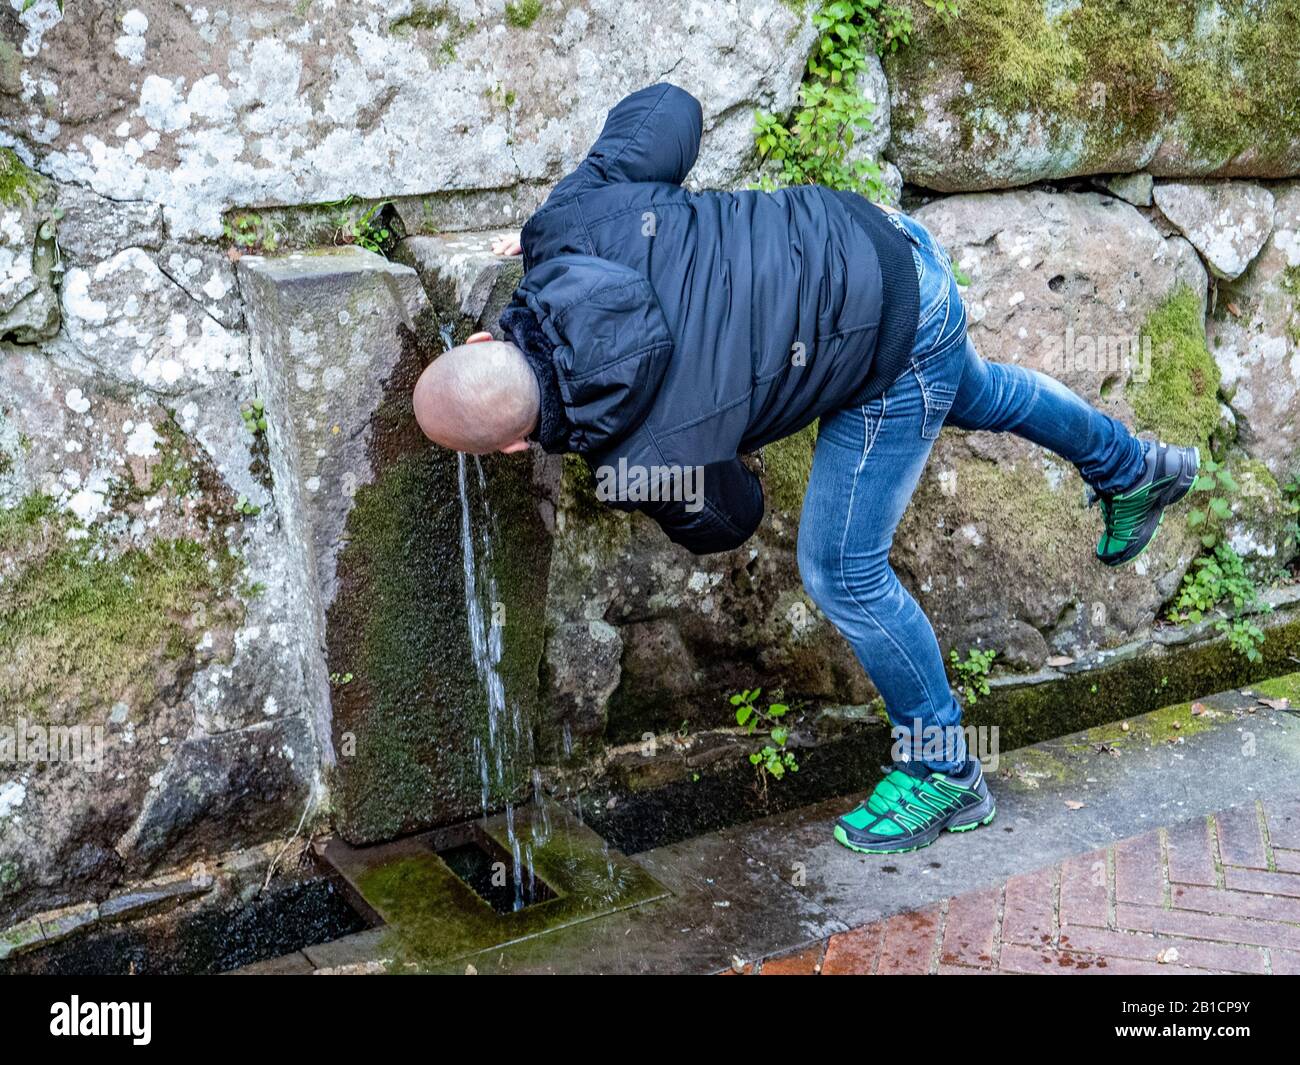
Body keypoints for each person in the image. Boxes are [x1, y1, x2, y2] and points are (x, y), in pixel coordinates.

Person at [413, 83, 1199, 854]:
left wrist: (725, 441)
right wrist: (562, 212)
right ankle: (1134, 469)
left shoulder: (642, 457)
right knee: (970, 388)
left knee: (842, 570)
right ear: (483, 344)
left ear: (513, 445)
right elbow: (671, 109)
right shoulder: (575, 219)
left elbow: (732, 519)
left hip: (888, 337)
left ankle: (946, 767)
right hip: (886, 244)